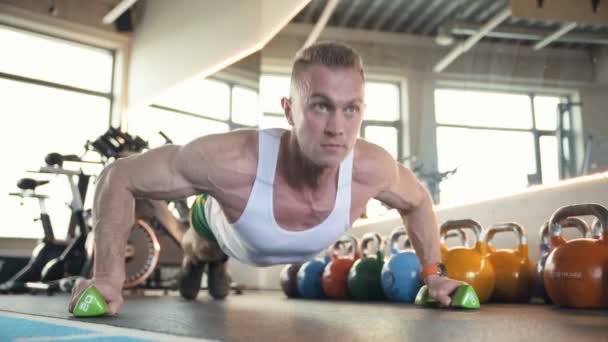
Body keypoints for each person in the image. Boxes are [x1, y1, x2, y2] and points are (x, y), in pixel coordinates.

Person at [68, 41, 465, 315]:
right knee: (203, 246)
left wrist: (434, 277)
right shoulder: (231, 162)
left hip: (259, 233)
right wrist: (107, 278)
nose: (337, 128)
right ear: (289, 110)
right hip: (223, 217)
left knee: (215, 255)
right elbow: (118, 175)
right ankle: (199, 261)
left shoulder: (372, 169)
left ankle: (210, 265)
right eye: (321, 106)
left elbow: (417, 201)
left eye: (351, 109)